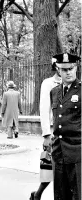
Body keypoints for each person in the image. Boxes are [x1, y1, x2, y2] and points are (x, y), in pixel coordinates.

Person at [50, 53, 81, 200]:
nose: (68, 72)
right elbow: (57, 119)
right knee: (60, 194)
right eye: (64, 69)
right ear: (58, 70)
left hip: (77, 152)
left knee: (78, 193)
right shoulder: (54, 92)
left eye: (71, 68)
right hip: (58, 151)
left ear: (76, 68)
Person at [30, 58, 61, 200]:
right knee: (48, 167)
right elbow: (44, 109)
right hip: (54, 133)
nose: (65, 70)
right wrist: (47, 134)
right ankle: (37, 195)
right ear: (55, 67)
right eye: (61, 67)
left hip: (71, 132)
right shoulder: (48, 83)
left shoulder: (75, 83)